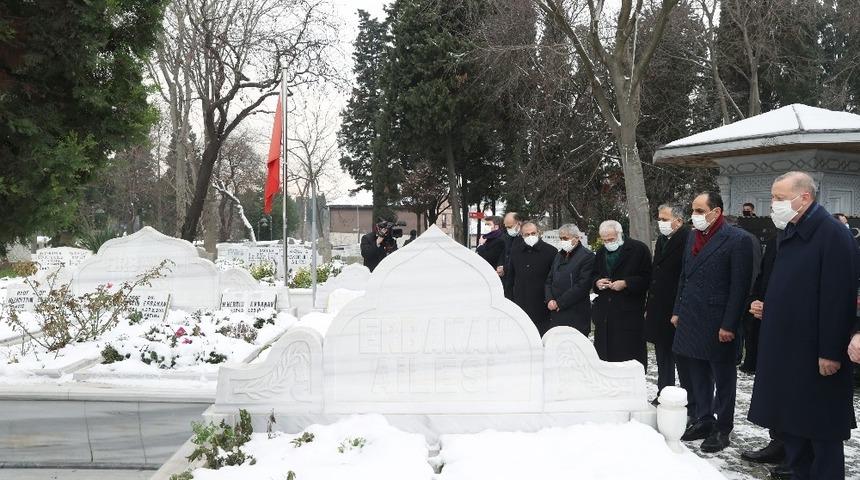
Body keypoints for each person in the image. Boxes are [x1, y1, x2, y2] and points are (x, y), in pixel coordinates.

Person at [748, 172, 859, 480]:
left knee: (820, 433)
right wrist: (771, 308)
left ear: (805, 198)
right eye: (773, 197)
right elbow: (796, 288)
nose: (773, 204)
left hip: (816, 353)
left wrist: (830, 352)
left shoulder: (832, 235)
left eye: (779, 198)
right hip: (788, 349)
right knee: (793, 427)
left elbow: (838, 298)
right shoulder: (790, 231)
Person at [671, 191, 753, 453]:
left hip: (719, 320)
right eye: (693, 210)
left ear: (715, 212)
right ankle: (704, 418)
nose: (693, 216)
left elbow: (740, 287)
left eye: (698, 210)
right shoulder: (693, 237)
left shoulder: (737, 239)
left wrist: (729, 324)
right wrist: (677, 310)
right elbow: (684, 276)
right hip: (691, 316)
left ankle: (723, 427)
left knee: (723, 377)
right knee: (697, 372)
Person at [644, 204, 690, 401]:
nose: (660, 223)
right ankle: (664, 391)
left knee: (682, 356)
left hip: (676, 305)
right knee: (663, 354)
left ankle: (688, 397)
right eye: (659, 219)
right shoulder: (663, 239)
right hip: (659, 305)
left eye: (664, 219)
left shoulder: (688, 238)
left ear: (678, 221)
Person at [591, 220, 651, 367]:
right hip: (605, 312)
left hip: (628, 312)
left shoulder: (638, 249)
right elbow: (594, 274)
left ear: (620, 234)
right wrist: (598, 282)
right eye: (604, 240)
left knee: (628, 357)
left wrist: (626, 283)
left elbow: (647, 278)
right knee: (605, 357)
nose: (608, 243)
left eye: (611, 239)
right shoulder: (601, 252)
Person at [544, 224, 595, 337]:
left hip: (576, 312)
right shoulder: (559, 255)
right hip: (556, 312)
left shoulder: (587, 256)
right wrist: (549, 299)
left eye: (565, 238)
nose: (562, 241)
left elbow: (582, 285)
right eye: (561, 238)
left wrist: (560, 302)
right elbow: (549, 279)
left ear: (576, 238)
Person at [508, 221, 557, 335]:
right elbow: (510, 278)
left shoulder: (551, 251)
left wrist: (551, 298)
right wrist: (510, 300)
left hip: (543, 305)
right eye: (527, 234)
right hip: (521, 303)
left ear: (538, 233)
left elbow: (554, 279)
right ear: (522, 235)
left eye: (533, 233)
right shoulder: (515, 251)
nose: (530, 236)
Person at [499, 212, 523, 299]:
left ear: (519, 223)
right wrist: (500, 266)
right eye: (506, 227)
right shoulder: (506, 237)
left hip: (517, 283)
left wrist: (505, 268)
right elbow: (503, 254)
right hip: (506, 281)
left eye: (510, 227)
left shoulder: (525, 239)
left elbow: (520, 260)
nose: (508, 229)